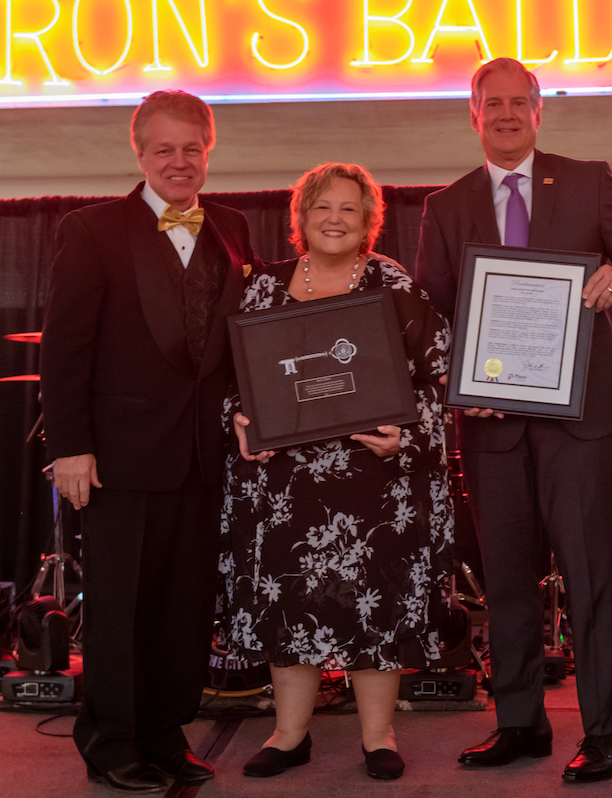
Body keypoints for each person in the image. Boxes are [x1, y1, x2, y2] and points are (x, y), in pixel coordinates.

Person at [414, 58, 612, 783]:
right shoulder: (447, 203)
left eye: (517, 102)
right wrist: (458, 380)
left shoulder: (588, 180)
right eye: (490, 103)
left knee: (588, 578)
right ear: (473, 113)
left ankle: (604, 733)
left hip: (579, 420)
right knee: (506, 584)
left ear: (538, 110)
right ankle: (519, 723)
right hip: (492, 425)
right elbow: (431, 311)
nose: (504, 113)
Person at [39, 90, 257, 793]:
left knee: (184, 609)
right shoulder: (92, 229)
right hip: (120, 457)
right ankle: (111, 741)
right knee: (122, 609)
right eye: (163, 149)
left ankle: (165, 734)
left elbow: (238, 344)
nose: (179, 161)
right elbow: (66, 348)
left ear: (208, 150)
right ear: (138, 154)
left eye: (191, 148)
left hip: (203, 456)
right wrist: (71, 446)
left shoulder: (232, 225)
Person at [219, 162, 454, 781]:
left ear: (370, 221)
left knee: (371, 604)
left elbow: (439, 375)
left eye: (350, 209)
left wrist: (403, 434)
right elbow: (227, 380)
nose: (334, 219)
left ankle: (378, 737)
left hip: (372, 483)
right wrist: (239, 421)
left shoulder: (392, 283)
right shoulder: (261, 288)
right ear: (300, 218)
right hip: (282, 484)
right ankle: (288, 734)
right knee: (288, 600)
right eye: (322, 207)